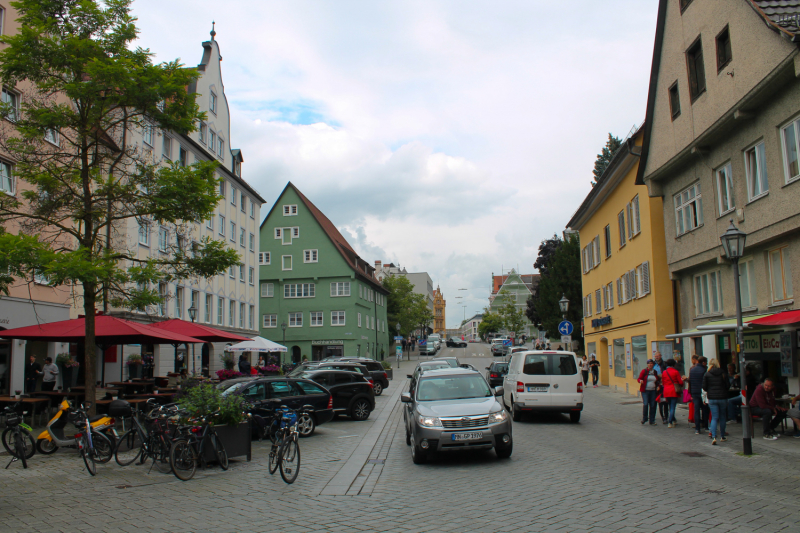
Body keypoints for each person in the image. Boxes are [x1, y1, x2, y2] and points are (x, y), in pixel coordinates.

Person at [703, 358, 730, 445]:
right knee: (722, 417)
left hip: (712, 398)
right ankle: (722, 436)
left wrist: (710, 390)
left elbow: (704, 387)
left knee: (714, 417)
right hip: (722, 397)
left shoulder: (707, 374)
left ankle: (714, 436)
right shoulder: (723, 373)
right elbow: (727, 385)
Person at [661, 359, 684, 427]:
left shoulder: (664, 372)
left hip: (666, 391)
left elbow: (663, 382)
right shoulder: (676, 372)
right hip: (674, 390)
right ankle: (670, 421)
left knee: (670, 406)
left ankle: (673, 420)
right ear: (674, 365)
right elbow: (680, 382)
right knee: (672, 407)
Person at [689, 356, 709, 434]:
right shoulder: (704, 370)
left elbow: (690, 382)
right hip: (702, 392)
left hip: (695, 393)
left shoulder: (692, 370)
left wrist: (690, 393)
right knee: (705, 409)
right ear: (703, 362)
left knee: (696, 410)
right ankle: (706, 426)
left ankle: (697, 428)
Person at [637, 359, 660, 425]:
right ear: (647, 364)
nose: (650, 365)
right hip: (645, 391)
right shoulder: (644, 371)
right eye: (649, 363)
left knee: (653, 405)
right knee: (646, 404)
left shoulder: (655, 372)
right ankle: (645, 418)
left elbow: (657, 380)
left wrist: (658, 386)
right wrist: (640, 381)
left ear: (653, 364)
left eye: (651, 363)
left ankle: (652, 420)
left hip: (653, 391)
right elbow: (639, 378)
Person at [652, 351, 669, 424]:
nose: (657, 357)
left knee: (665, 402)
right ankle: (662, 417)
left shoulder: (664, 364)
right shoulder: (653, 364)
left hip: (665, 385)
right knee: (660, 402)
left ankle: (666, 417)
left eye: (658, 356)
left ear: (661, 356)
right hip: (657, 385)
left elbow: (668, 372)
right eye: (656, 356)